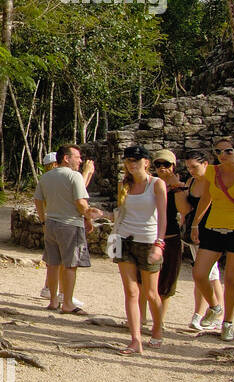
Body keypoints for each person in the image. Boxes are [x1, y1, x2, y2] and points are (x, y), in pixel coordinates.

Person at [92, 145, 168, 355]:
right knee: (131, 291)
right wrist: (103, 214)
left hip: (148, 241)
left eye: (136, 160)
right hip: (123, 240)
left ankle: (157, 329)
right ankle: (135, 340)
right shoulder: (123, 185)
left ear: (146, 162)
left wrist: (159, 244)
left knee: (151, 293)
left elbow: (163, 216)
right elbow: (121, 214)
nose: (132, 164)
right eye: (128, 160)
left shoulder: (157, 185)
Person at [190, 137, 234, 339]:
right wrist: (195, 223)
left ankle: (228, 323)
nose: (222, 155)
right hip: (213, 227)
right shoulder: (212, 171)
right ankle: (215, 307)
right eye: (218, 151)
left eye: (227, 151)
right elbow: (206, 198)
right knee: (199, 273)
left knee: (232, 280)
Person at [32, 144, 93, 314]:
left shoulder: (46, 177)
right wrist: (88, 217)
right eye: (77, 157)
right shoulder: (75, 177)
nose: (80, 160)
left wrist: (44, 220)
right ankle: (67, 303)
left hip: (51, 224)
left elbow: (37, 200)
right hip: (70, 225)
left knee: (52, 264)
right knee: (70, 265)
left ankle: (53, 301)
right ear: (66, 158)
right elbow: (81, 203)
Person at [182, 149, 226, 330]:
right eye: (188, 167)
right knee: (203, 274)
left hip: (211, 229)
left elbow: (209, 203)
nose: (191, 170)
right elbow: (187, 208)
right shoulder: (191, 182)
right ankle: (204, 313)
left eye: (194, 166)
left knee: (211, 274)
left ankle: (215, 313)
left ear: (206, 164)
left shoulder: (212, 181)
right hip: (195, 231)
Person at [151, 149, 184, 309]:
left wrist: (176, 187)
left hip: (171, 237)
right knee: (144, 282)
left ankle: (160, 322)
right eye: (158, 164)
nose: (162, 168)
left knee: (167, 284)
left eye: (166, 164)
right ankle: (141, 318)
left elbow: (184, 209)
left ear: (173, 166)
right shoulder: (150, 185)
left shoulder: (180, 187)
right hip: (150, 236)